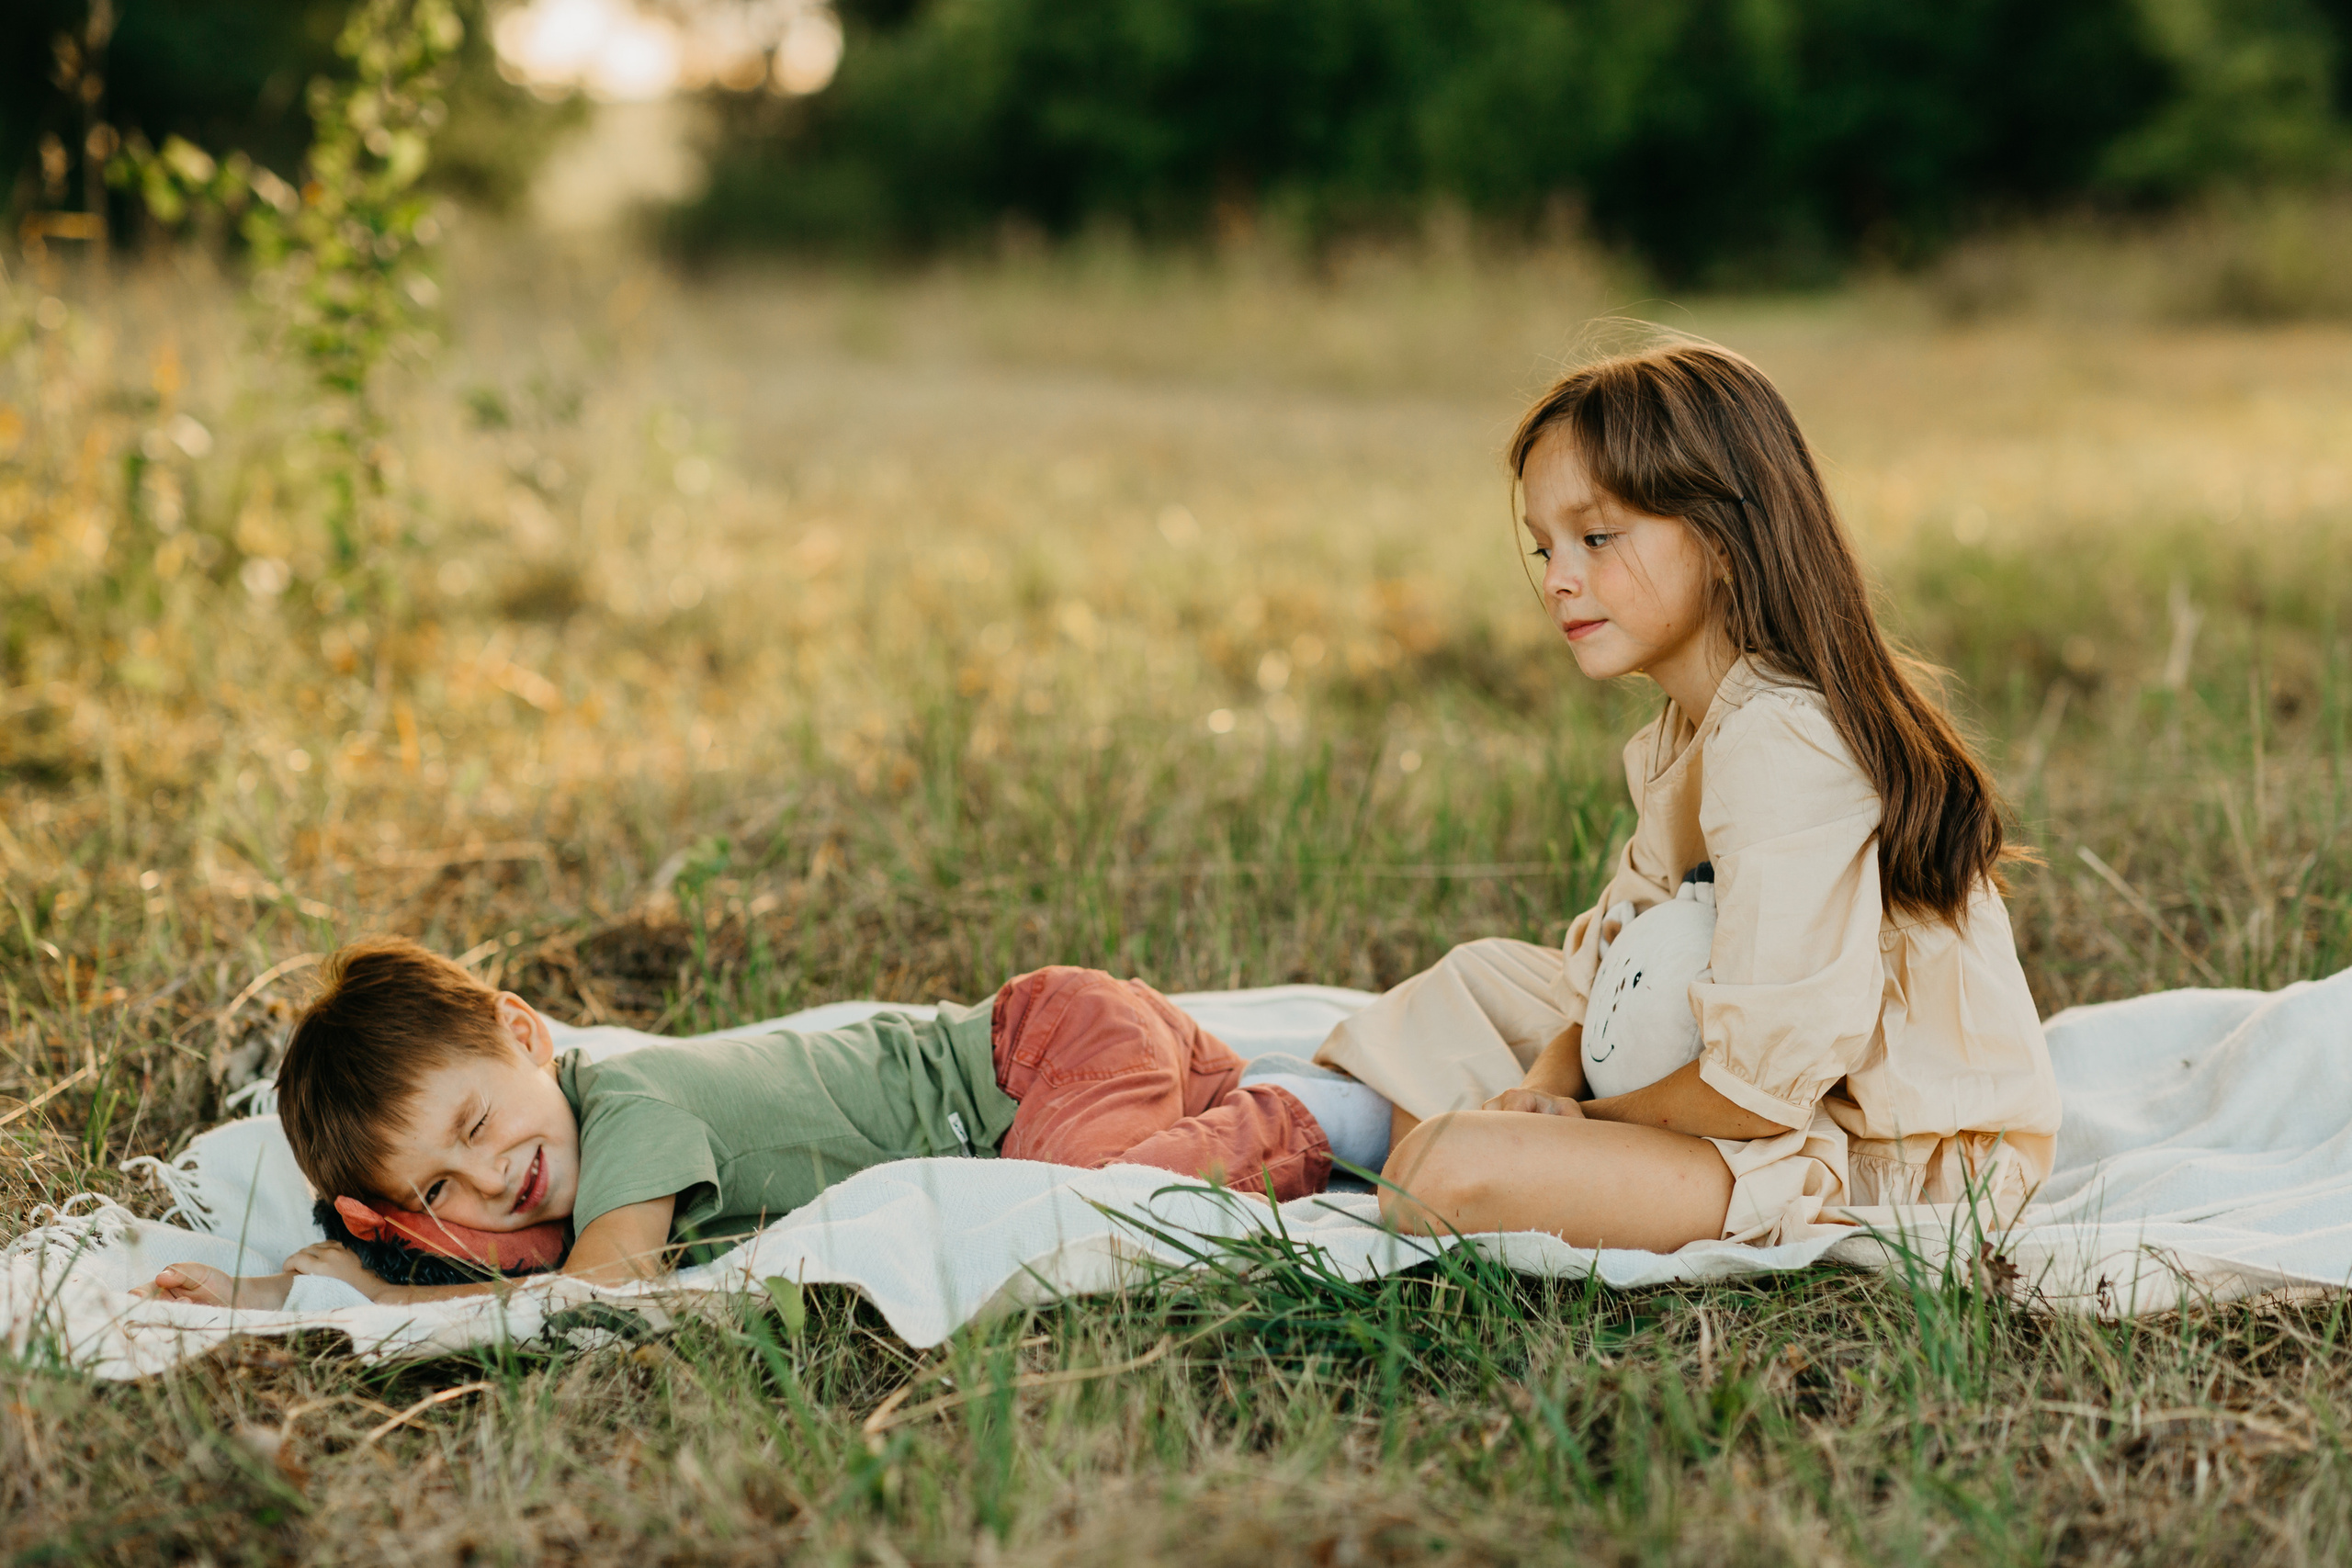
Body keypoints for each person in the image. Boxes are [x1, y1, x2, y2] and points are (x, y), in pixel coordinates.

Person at [1317, 339, 2060, 1253]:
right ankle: (1324, 1133)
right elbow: (1608, 972)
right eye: (1543, 545)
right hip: (1761, 1093)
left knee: (1450, 1170)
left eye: (1595, 538)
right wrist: (1552, 1086)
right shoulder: (1688, 726)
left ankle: (1351, 1155)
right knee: (1476, 984)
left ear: (1719, 536)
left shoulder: (1784, 741)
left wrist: (1576, 1127)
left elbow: (1760, 1084)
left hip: (1884, 1156)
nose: (1556, 577)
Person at [140, 938, 1396, 1307]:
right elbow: (514, 1260)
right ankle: (1235, 1090)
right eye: (444, 1184)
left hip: (1041, 1053)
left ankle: (1315, 1112)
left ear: (528, 1034)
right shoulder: (555, 1165)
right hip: (1059, 1066)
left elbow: (596, 1296)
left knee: (1085, 1190)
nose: (495, 1175)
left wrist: (365, 1302)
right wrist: (295, 1276)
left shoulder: (626, 1107)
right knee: (1065, 1172)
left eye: (477, 1118)